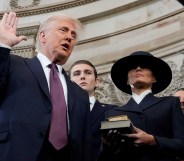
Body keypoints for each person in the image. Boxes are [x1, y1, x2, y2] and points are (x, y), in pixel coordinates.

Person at [0, 12, 92, 161]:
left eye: (73, 35)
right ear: (43, 36)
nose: (69, 37)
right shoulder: (14, 65)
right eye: (63, 30)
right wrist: (3, 45)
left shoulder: (80, 94)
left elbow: (85, 143)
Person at [98, 51, 184, 161]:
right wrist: (107, 146)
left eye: (145, 66)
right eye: (133, 67)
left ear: (155, 78)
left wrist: (153, 140)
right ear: (127, 81)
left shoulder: (170, 103)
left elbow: (182, 144)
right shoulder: (113, 113)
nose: (138, 68)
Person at [68, 60, 117, 161]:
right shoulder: (60, 112)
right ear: (69, 83)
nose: (82, 76)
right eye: (77, 74)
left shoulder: (112, 111)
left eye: (88, 73)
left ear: (97, 82)